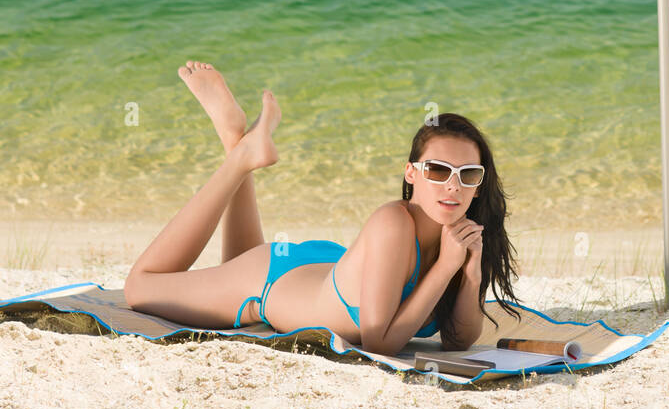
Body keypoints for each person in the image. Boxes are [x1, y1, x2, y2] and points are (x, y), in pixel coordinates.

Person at [125, 62, 520, 355]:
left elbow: (460, 339)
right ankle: (238, 157)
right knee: (140, 286)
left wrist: (468, 267)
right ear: (411, 174)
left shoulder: (461, 236)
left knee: (233, 259)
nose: (453, 184)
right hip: (266, 283)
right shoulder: (393, 222)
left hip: (322, 270)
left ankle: (235, 137)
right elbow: (380, 343)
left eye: (468, 174)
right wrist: (446, 268)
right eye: (437, 170)